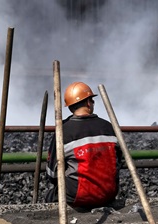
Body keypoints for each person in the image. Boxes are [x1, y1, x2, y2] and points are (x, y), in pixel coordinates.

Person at [45, 81, 122, 209]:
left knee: (50, 196)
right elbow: (119, 162)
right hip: (109, 193)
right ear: (88, 102)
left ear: (69, 107)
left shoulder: (63, 131)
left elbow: (52, 174)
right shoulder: (108, 127)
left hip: (77, 196)